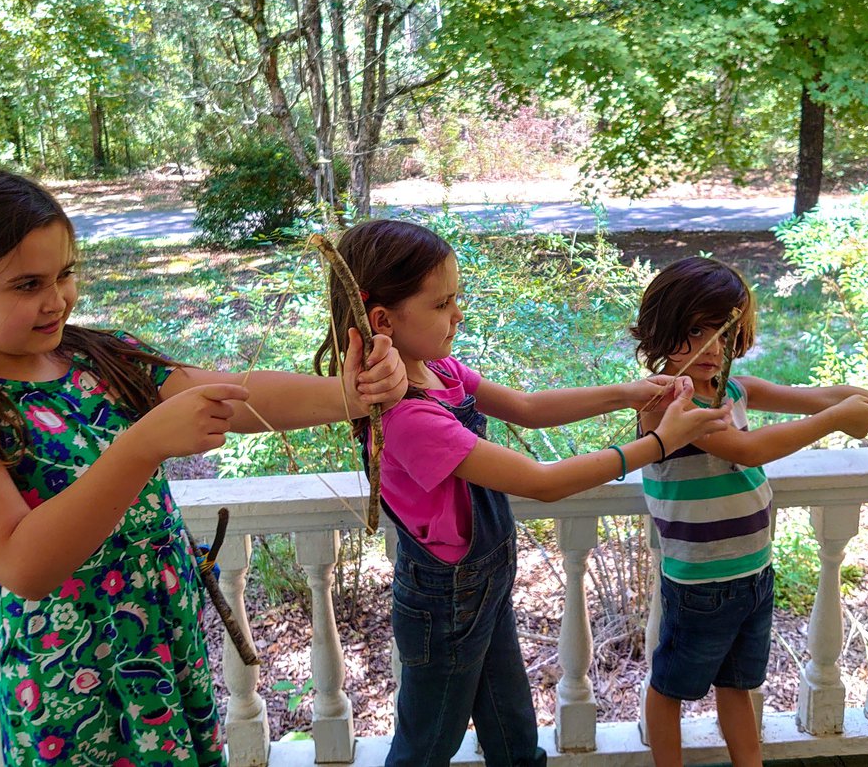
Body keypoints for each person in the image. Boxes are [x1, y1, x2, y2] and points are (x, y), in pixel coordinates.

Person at [0, 169, 408, 766]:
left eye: (65, 274)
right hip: (70, 689)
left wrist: (349, 394)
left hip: (166, 651)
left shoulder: (96, 355)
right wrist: (140, 449)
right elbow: (22, 563)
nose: (56, 299)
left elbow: (231, 392)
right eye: (27, 284)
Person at [313, 219, 732, 767]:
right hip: (446, 600)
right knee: (427, 742)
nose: (457, 314)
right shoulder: (408, 418)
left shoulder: (440, 369)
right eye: (442, 304)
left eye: (456, 299)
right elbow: (541, 483)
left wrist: (626, 393)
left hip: (484, 582)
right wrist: (657, 443)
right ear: (383, 320)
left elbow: (529, 410)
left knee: (511, 726)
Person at [630, 256, 868, 767]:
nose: (712, 348)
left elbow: (832, 395)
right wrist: (835, 421)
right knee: (669, 689)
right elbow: (748, 450)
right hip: (698, 584)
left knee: (739, 684)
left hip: (753, 574)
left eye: (723, 334)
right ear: (662, 328)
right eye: (695, 330)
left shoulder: (733, 390)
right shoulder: (665, 403)